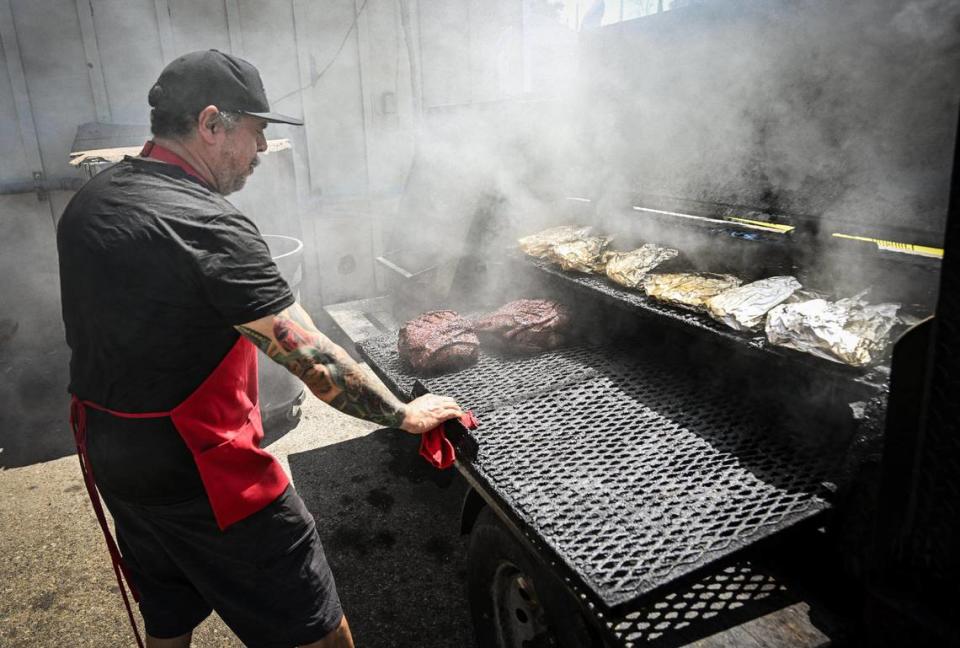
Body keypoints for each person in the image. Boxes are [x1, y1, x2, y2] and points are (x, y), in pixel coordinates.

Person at [57, 50, 463, 648]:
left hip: (113, 453)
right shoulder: (207, 226)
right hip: (201, 469)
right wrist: (404, 413)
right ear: (212, 123)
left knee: (168, 611)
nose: (262, 152)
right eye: (257, 133)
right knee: (318, 633)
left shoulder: (94, 200)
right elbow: (314, 360)